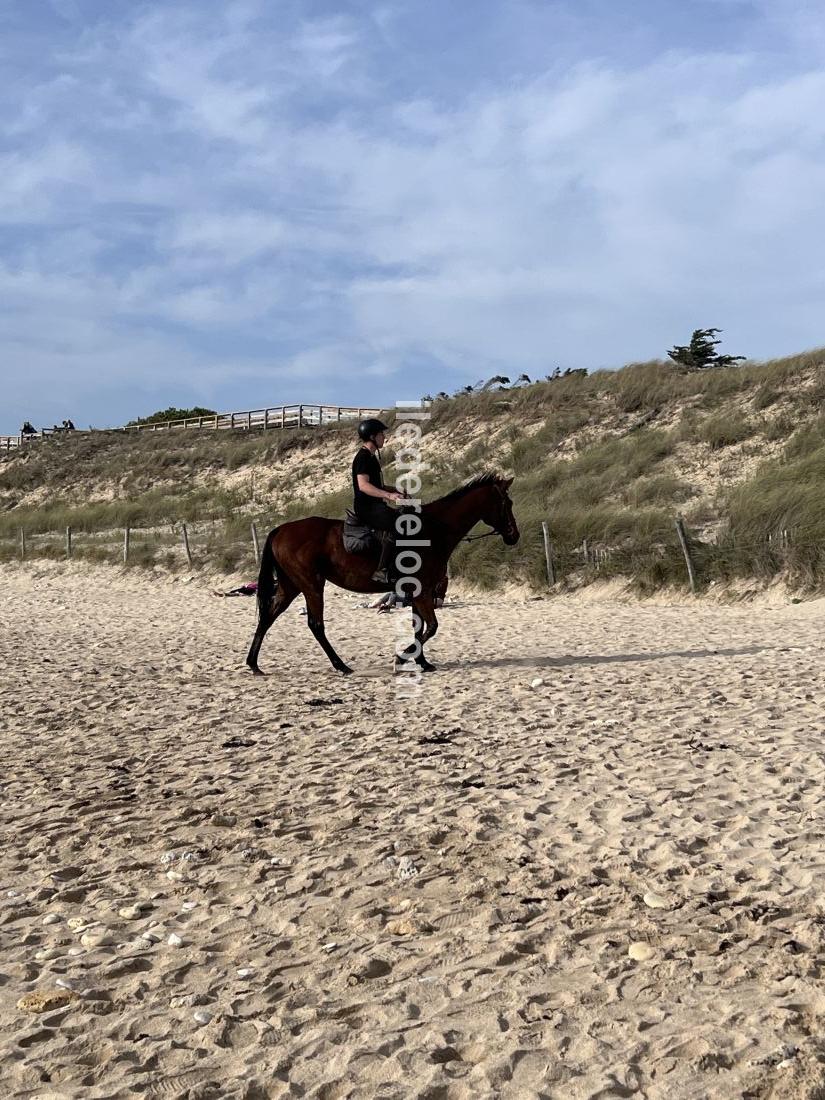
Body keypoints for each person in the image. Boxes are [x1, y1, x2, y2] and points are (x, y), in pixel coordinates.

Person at [352, 418, 405, 585]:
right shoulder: (363, 458)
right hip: (367, 508)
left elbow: (377, 485)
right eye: (382, 434)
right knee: (398, 525)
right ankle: (382, 570)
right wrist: (389, 496)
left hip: (375, 506)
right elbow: (363, 486)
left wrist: (394, 490)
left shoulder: (371, 457)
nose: (385, 437)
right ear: (373, 436)